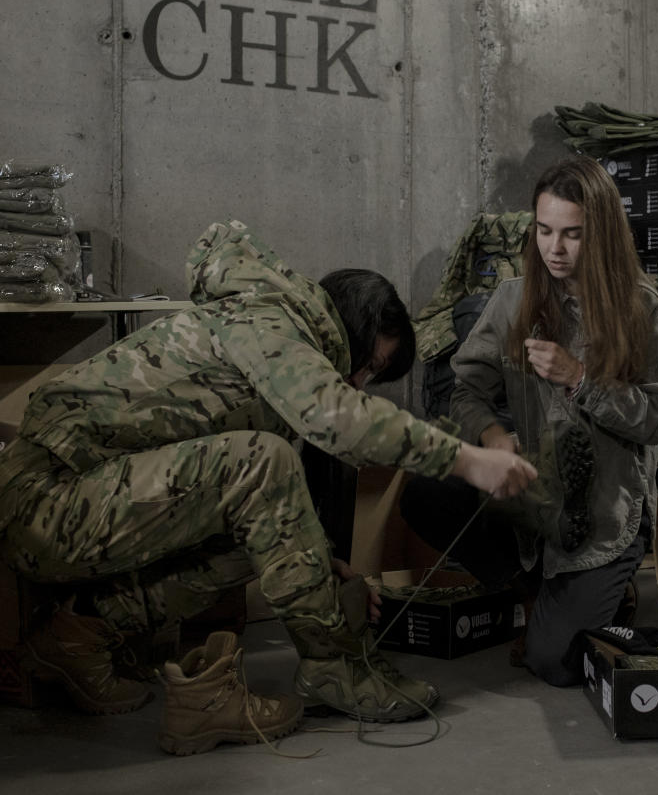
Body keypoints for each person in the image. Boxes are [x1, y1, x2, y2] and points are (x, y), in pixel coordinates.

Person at [0, 220, 535, 754]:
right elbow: (335, 417)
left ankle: (80, 633)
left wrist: (322, 562)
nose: (360, 384)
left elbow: (264, 509)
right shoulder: (270, 321)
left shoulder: (271, 325)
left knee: (260, 520)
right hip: (46, 499)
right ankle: (333, 668)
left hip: (84, 498)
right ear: (345, 327)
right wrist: (466, 459)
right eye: (368, 367)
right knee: (265, 460)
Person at [400, 156, 658, 685]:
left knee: (553, 664)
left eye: (572, 235)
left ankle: (608, 593)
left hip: (605, 514)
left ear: (600, 233)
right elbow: (463, 388)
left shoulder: (641, 308)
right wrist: (492, 436)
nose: (554, 249)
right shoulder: (512, 300)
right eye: (544, 230)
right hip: (529, 498)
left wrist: (582, 379)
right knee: (424, 493)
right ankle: (528, 591)